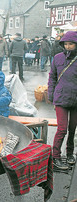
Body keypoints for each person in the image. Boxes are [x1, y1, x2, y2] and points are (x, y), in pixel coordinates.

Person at [47, 31, 77, 170]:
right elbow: (52, 77)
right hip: (61, 98)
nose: (68, 46)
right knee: (62, 129)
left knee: (72, 129)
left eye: (70, 44)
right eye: (65, 44)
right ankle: (56, 157)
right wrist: (51, 95)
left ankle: (70, 153)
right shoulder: (57, 58)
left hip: (75, 99)